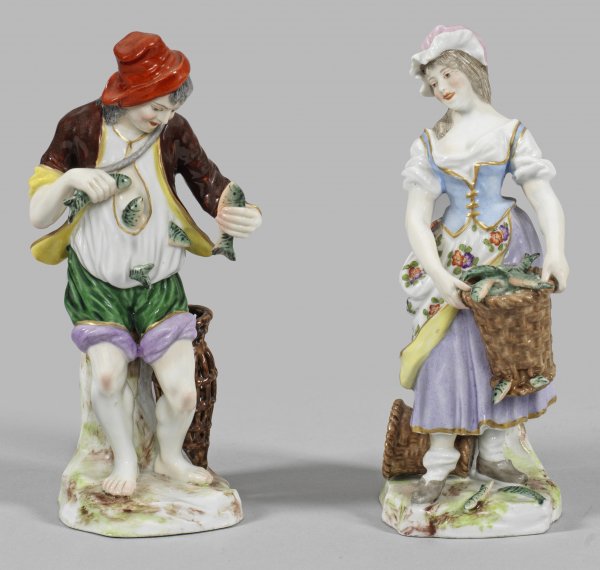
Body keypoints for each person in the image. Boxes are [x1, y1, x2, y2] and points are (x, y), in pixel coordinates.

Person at [29, 32, 262, 497]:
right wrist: (71, 180)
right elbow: (38, 214)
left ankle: (169, 456)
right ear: (128, 94)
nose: (165, 116)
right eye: (156, 105)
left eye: (172, 106)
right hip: (99, 285)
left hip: (159, 283)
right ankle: (125, 458)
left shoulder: (173, 130)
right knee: (108, 375)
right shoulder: (80, 126)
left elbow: (209, 182)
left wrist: (239, 211)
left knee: (183, 392)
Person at [399, 26, 568, 504]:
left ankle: (493, 451)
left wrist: (556, 250)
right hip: (452, 255)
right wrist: (437, 274)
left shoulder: (511, 132)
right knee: (444, 353)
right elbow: (415, 215)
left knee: (506, 351)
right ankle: (438, 463)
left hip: (507, 250)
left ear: (471, 70)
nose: (442, 87)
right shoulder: (430, 141)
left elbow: (542, 194)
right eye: (433, 81)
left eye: (447, 74)